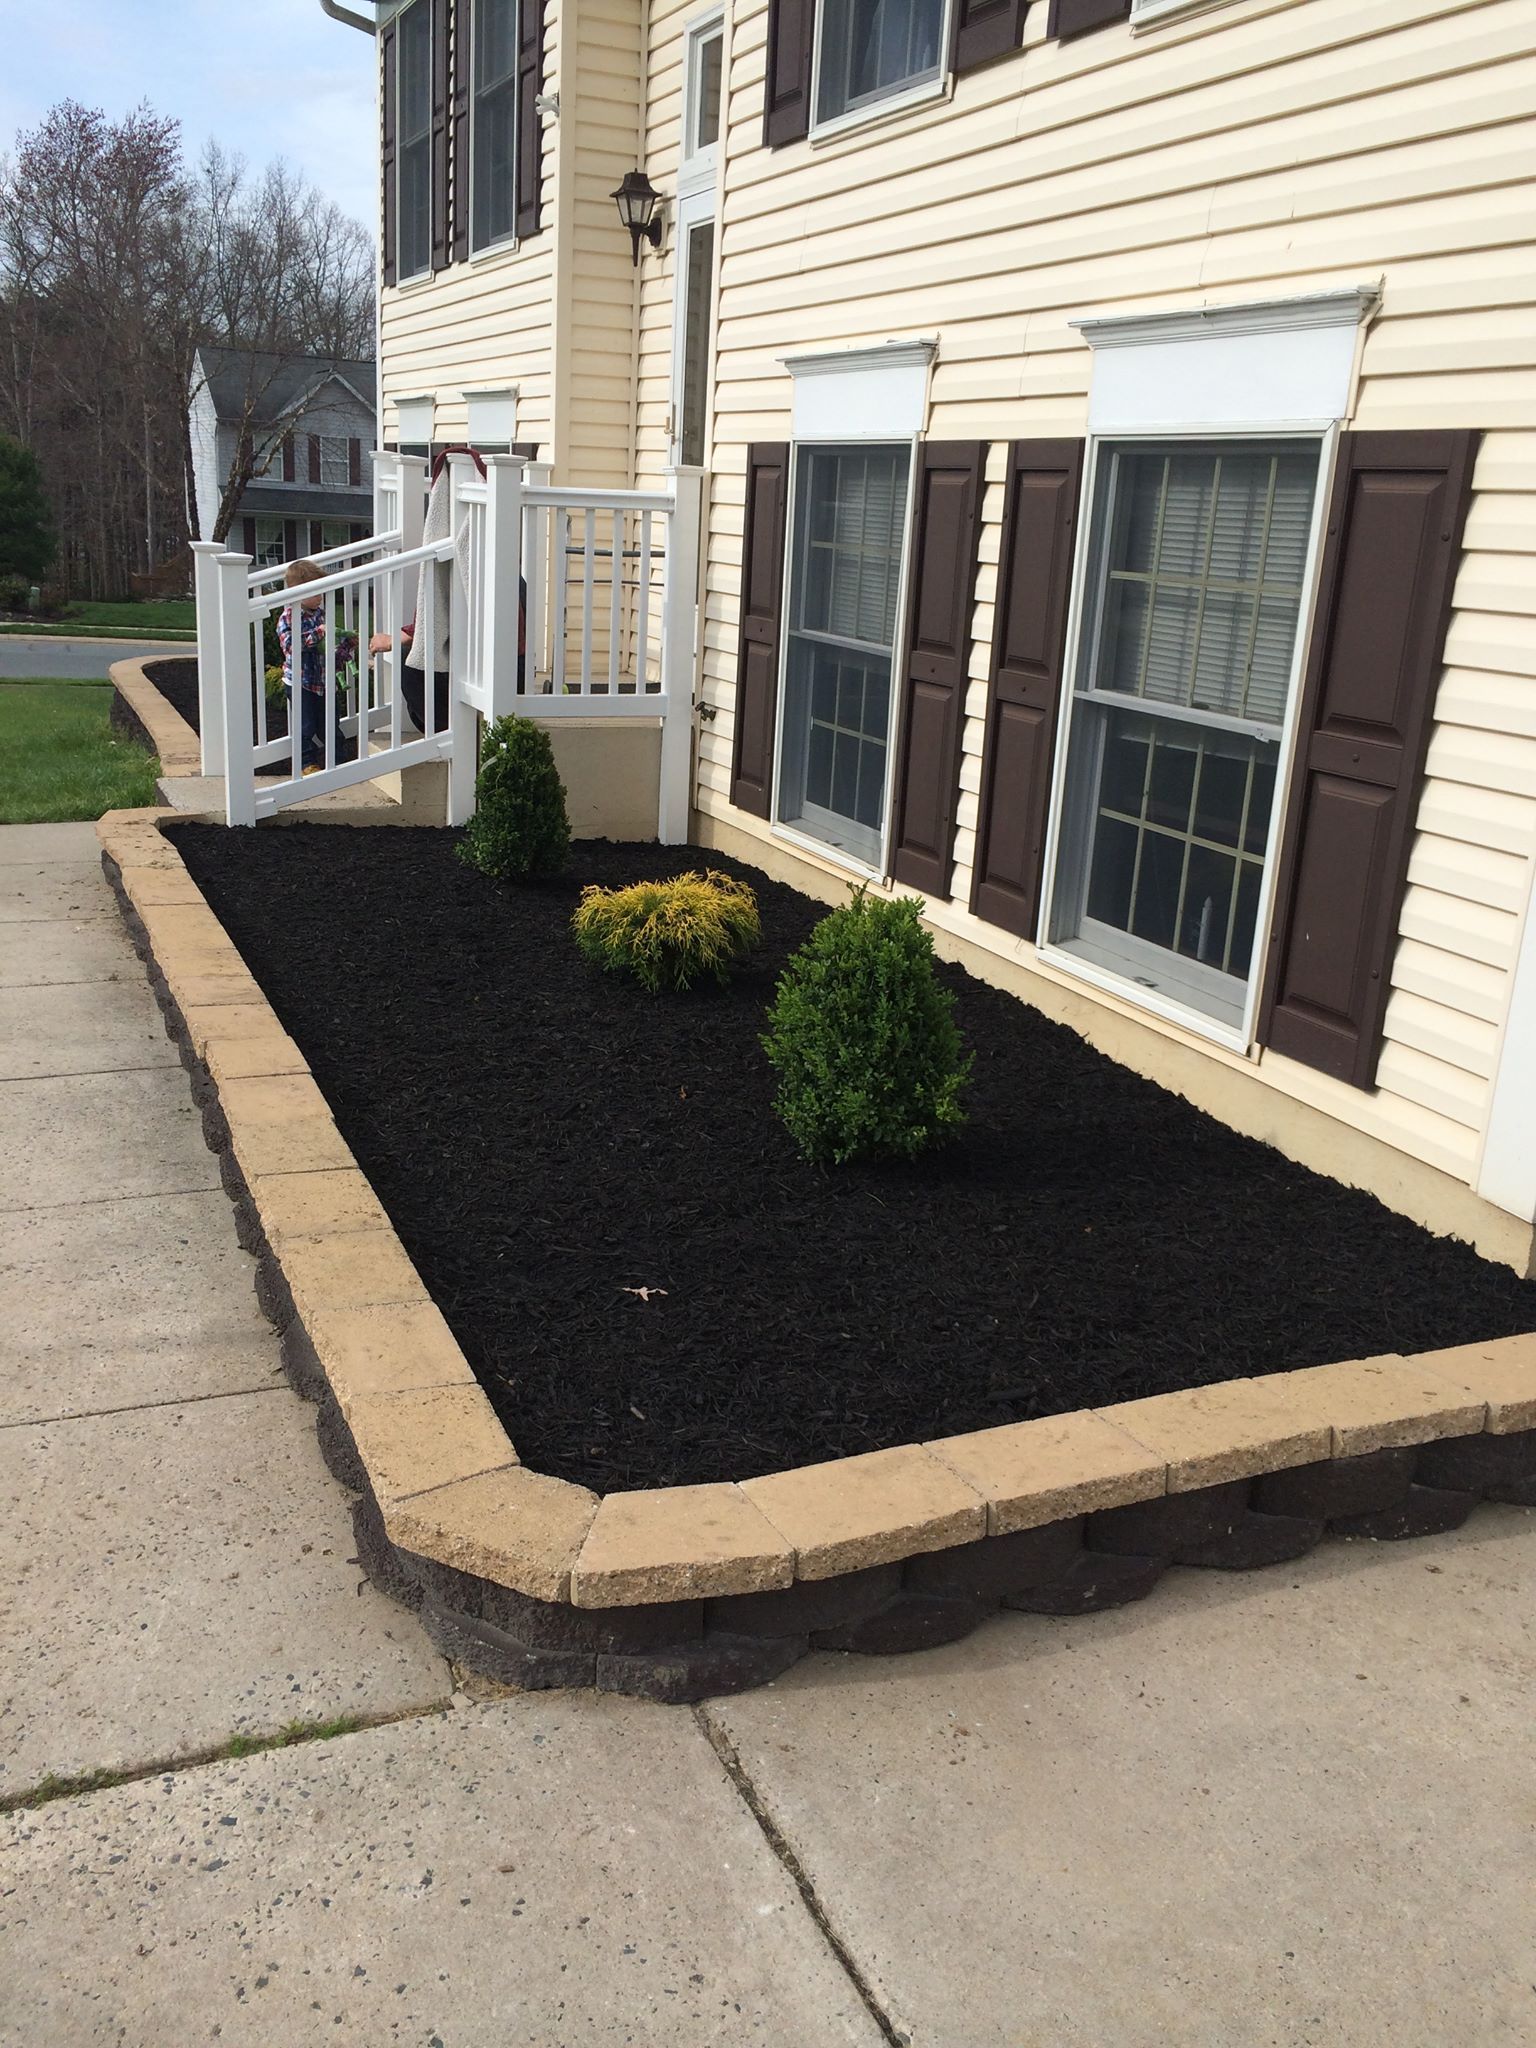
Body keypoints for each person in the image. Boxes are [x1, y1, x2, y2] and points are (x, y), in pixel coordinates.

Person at [276, 559, 357, 774]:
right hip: (301, 683)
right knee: (306, 726)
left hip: (324, 681)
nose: (320, 597)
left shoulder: (320, 613)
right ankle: (306, 763)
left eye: (321, 591)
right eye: (315, 592)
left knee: (331, 725)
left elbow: (328, 644)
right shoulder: (288, 617)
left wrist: (345, 642)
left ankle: (337, 762)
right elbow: (292, 645)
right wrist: (320, 632)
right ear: (296, 592)